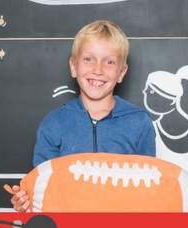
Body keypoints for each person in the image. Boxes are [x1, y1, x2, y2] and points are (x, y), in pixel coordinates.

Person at [10, 20, 155, 212]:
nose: (98, 70)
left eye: (109, 62)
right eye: (88, 59)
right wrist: (27, 204)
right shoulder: (53, 124)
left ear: (121, 72)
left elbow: (149, 190)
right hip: (66, 227)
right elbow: (43, 191)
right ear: (73, 66)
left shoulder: (139, 122)